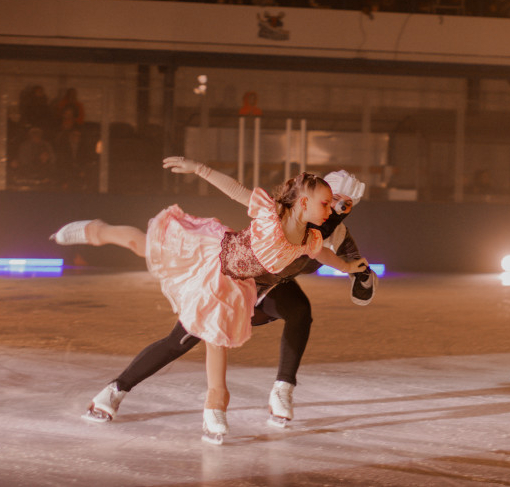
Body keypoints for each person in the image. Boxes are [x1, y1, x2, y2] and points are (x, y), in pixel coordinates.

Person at [51, 157, 368, 443]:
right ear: (304, 202)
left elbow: (328, 253)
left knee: (232, 330)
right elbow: (237, 191)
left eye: (345, 206)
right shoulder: (273, 213)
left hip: (245, 287)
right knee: (144, 250)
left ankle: (220, 402)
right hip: (214, 262)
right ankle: (97, 230)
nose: (337, 211)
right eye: (332, 202)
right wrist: (198, 168)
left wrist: (350, 267)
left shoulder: (319, 236)